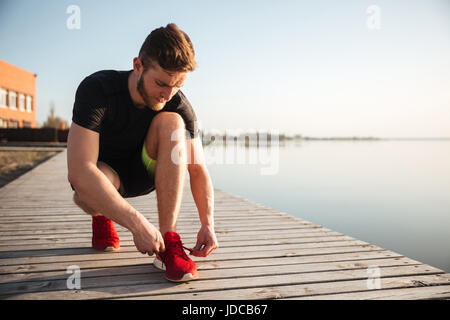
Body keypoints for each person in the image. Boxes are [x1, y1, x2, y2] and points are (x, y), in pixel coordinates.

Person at [67, 23, 218, 282]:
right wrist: (138, 225)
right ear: (138, 66)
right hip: (106, 176)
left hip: (148, 171)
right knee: (86, 189)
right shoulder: (98, 89)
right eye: (161, 83)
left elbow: (197, 168)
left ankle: (169, 242)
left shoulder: (177, 103)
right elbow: (80, 171)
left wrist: (208, 223)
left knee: (173, 122)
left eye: (178, 84)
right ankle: (102, 216)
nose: (168, 93)